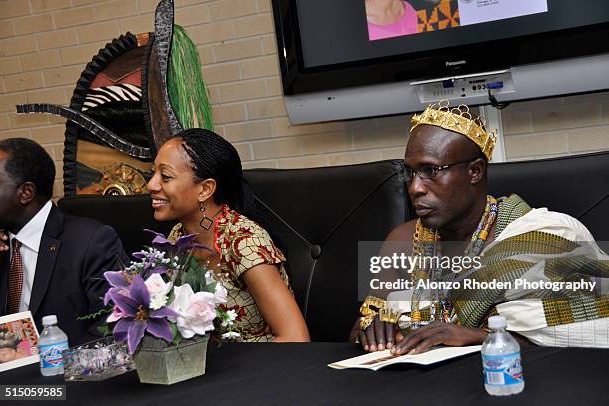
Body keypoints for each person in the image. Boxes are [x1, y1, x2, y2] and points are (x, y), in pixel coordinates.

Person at [354, 101, 608, 354]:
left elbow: (584, 330)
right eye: (410, 173)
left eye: (431, 171)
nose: (415, 188)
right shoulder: (402, 240)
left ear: (475, 171)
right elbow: (361, 327)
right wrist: (372, 329)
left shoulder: (546, 237)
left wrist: (478, 337)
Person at [147, 128, 310, 342]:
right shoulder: (177, 237)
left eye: (166, 177)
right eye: (153, 174)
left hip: (264, 367)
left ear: (205, 189)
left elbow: (296, 337)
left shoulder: (244, 241)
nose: (151, 184)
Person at [0, 138, 128, 346]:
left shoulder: (91, 242)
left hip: (64, 372)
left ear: (26, 193)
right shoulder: (1, 242)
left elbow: (110, 328)